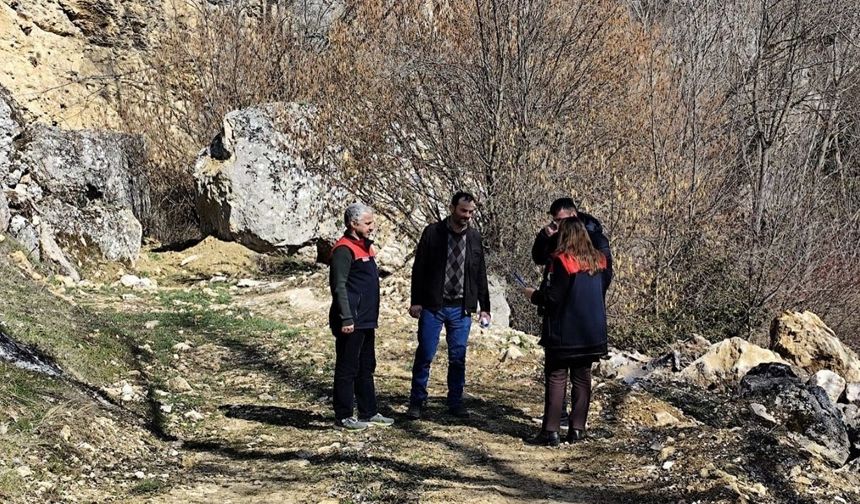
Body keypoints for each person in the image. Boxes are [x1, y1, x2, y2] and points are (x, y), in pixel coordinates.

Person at [521, 217, 610, 446]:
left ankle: (550, 432)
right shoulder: (599, 261)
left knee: (556, 377)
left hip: (564, 333)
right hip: (592, 334)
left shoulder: (562, 261)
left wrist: (533, 295)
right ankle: (577, 429)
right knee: (582, 378)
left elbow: (553, 298)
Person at [406, 191, 491, 420]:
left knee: (458, 357)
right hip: (433, 306)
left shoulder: (474, 237)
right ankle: (417, 401)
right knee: (425, 353)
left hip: (461, 308)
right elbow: (419, 268)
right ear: (452, 208)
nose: (467, 216)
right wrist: (416, 301)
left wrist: (485, 307)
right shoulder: (433, 232)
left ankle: (455, 401)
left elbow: (480, 272)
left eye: (471, 212)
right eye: (463, 211)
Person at [328, 203, 394, 431]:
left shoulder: (366, 247)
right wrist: (346, 318)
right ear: (352, 224)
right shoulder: (344, 250)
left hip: (367, 320)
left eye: (372, 222)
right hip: (351, 321)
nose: (372, 227)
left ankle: (368, 412)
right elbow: (339, 286)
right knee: (347, 368)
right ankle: (343, 416)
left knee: (366, 366)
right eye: (367, 223)